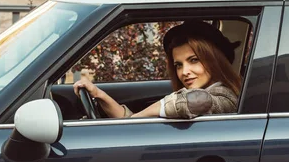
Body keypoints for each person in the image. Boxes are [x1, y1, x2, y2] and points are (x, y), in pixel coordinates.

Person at [73, 20, 242, 119]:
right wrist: (98, 95)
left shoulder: (225, 96)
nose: (184, 72)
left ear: (214, 61)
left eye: (194, 60)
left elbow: (197, 102)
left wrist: (135, 119)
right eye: (179, 65)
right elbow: (130, 123)